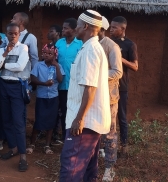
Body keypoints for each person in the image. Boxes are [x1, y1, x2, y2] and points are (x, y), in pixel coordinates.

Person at [59, 10, 111, 182]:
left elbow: (90, 88)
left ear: (86, 27)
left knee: (71, 168)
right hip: (88, 120)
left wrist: (79, 119)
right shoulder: (89, 48)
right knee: (88, 169)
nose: (76, 29)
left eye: (78, 26)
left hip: (84, 122)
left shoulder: (90, 50)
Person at [0, 23, 31, 172]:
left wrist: (3, 65)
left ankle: (23, 156)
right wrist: (4, 55)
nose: (12, 36)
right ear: (6, 34)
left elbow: (20, 67)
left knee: (18, 121)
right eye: (10, 33)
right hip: (3, 86)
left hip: (16, 87)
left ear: (19, 34)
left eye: (15, 33)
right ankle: (13, 148)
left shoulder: (23, 48)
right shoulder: (1, 49)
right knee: (6, 119)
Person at [98, 16, 123, 182]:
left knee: (110, 133)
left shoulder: (111, 46)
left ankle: (109, 168)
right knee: (94, 131)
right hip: (92, 97)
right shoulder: (89, 45)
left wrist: (97, 76)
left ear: (100, 30)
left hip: (108, 98)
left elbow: (117, 71)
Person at [27, 45, 64, 155]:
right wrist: (44, 84)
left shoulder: (58, 66)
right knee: (39, 120)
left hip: (53, 97)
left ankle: (47, 145)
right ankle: (32, 143)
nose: (47, 55)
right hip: (41, 97)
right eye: (45, 53)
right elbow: (33, 79)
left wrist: (56, 66)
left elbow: (60, 79)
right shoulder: (38, 65)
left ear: (55, 55)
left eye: (50, 54)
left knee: (51, 121)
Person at [110, 16, 138, 155]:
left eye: (114, 27)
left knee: (121, 116)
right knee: (108, 116)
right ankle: (107, 145)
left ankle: (124, 146)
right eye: (111, 26)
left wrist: (120, 59)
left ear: (123, 29)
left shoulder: (129, 45)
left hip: (121, 87)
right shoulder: (107, 42)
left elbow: (135, 66)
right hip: (108, 86)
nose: (111, 29)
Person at [54, 18, 83, 143]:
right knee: (58, 110)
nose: (63, 30)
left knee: (69, 110)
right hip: (58, 83)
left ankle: (67, 136)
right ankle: (57, 135)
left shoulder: (80, 44)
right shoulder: (59, 43)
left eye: (66, 28)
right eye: (63, 27)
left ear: (73, 29)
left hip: (73, 84)